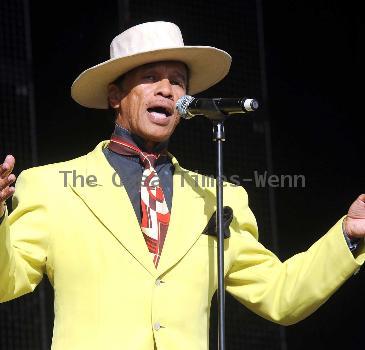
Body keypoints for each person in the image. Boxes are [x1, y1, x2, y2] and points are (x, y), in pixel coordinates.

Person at [0, 21, 364, 350]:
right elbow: (6, 282)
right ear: (115, 96)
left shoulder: (219, 198)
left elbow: (281, 296)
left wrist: (349, 234)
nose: (166, 90)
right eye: (150, 77)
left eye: (177, 81)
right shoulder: (53, 186)